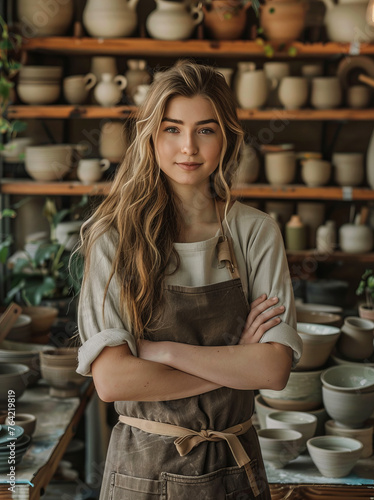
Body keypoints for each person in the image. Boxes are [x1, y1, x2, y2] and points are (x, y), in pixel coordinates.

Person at [76, 60, 302, 500]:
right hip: (140, 469)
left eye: (205, 129)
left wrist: (164, 352)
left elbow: (273, 370)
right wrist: (238, 362)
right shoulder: (113, 239)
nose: (188, 149)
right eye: (172, 128)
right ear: (150, 135)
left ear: (227, 137)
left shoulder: (255, 232)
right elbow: (114, 381)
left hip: (234, 467)